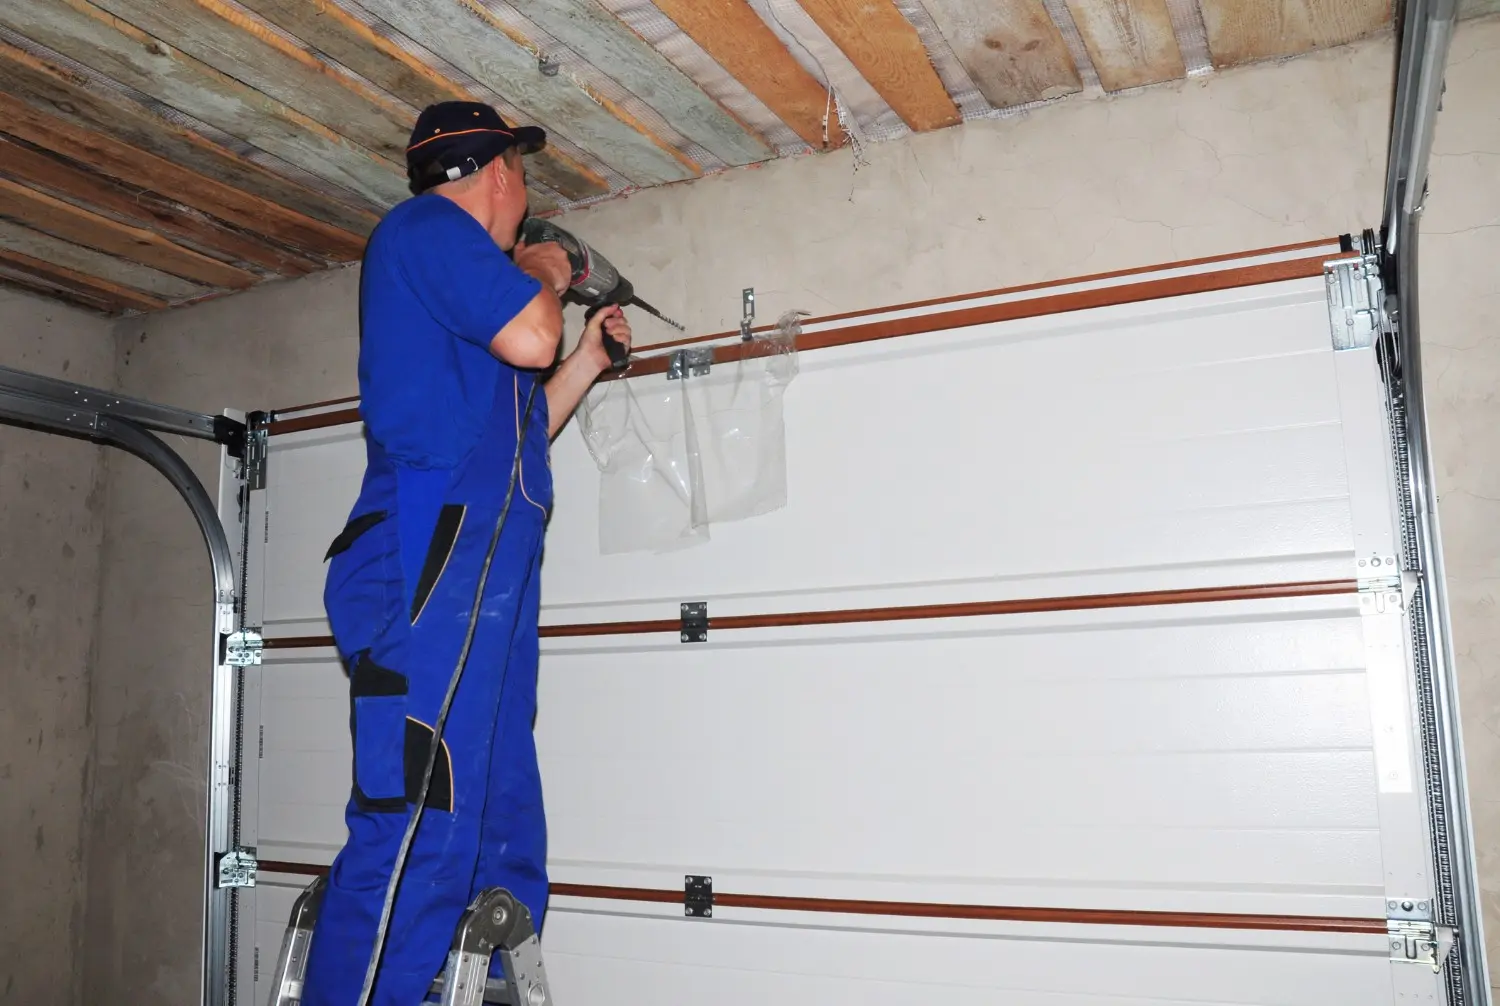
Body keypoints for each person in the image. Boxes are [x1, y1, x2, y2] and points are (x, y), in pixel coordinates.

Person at [300, 101, 631, 1006]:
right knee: (418, 821)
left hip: (479, 589)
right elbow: (531, 329)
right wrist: (555, 265)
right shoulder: (423, 229)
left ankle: (472, 985)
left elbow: (523, 426)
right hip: (420, 569)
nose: (525, 198)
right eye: (523, 180)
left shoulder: (467, 311)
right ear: (499, 176)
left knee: (497, 816)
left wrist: (589, 361)